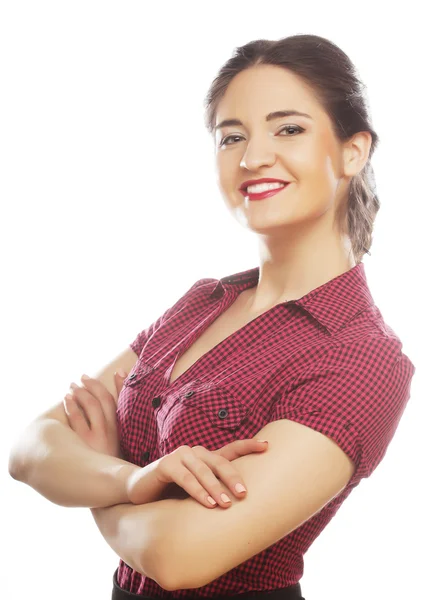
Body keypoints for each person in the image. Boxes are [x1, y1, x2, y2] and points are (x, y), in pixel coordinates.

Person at [9, 34, 416, 600]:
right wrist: (132, 478)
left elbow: (179, 557)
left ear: (353, 151)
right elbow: (30, 449)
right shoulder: (202, 302)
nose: (252, 158)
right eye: (232, 137)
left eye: (289, 128)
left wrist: (97, 480)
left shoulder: (360, 357)